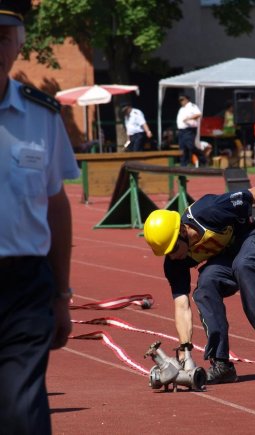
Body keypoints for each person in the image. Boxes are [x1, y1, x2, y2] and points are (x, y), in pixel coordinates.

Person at [0, 1, 80, 433]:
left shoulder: (42, 115)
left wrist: (61, 296)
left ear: (18, 43)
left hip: (24, 287)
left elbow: (56, 203)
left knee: (23, 412)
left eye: (2, 36)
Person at [143, 188, 255, 384]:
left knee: (244, 265)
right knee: (205, 287)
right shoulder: (175, 262)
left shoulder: (210, 210)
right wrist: (185, 349)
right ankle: (221, 363)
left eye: (174, 247)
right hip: (226, 259)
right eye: (166, 252)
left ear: (183, 230)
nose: (173, 255)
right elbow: (182, 305)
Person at [176, 94, 207, 166]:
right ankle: (183, 166)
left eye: (182, 99)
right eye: (180, 100)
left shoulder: (192, 106)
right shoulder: (181, 108)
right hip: (181, 131)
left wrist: (189, 118)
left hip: (189, 130)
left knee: (190, 146)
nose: (181, 101)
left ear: (187, 99)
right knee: (182, 149)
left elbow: (198, 114)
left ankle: (202, 158)